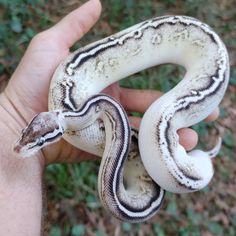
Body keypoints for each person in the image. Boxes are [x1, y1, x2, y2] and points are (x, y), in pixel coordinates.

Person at [0, 0, 219, 235]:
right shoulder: (72, 111)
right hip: (93, 118)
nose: (25, 145)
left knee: (160, 129)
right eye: (31, 137)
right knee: (156, 133)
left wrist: (14, 115)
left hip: (201, 46)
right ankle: (193, 167)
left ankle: (191, 168)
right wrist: (15, 117)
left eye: (38, 141)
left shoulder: (71, 106)